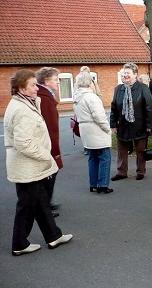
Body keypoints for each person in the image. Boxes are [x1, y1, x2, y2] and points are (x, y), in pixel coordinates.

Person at [4, 69, 73, 256]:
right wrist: (46, 156)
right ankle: (19, 243)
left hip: (30, 166)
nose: (37, 88)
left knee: (40, 202)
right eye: (33, 85)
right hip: (27, 166)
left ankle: (53, 236)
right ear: (21, 88)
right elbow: (24, 143)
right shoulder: (20, 109)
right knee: (27, 205)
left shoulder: (25, 103)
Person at [110, 63, 152, 181]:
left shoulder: (143, 88)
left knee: (140, 150)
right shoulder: (118, 89)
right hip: (122, 125)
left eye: (128, 73)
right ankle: (121, 172)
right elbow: (113, 107)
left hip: (139, 125)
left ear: (135, 74)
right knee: (122, 150)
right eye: (124, 73)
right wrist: (113, 124)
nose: (125, 75)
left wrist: (149, 125)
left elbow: (149, 107)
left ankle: (140, 171)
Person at [73, 71, 113, 194]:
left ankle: (93, 183)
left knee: (93, 157)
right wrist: (108, 129)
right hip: (96, 130)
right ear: (89, 82)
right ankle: (103, 184)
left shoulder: (77, 97)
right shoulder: (91, 97)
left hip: (85, 129)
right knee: (105, 157)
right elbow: (99, 116)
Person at [36, 67, 63, 217]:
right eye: (55, 80)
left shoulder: (46, 95)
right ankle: (44, 207)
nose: (58, 83)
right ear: (46, 81)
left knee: (50, 174)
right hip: (48, 143)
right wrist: (54, 148)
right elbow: (49, 125)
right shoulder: (44, 97)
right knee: (49, 174)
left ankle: (46, 203)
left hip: (47, 142)